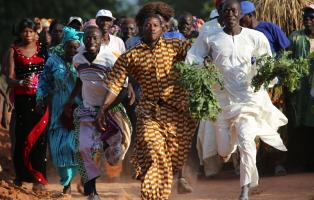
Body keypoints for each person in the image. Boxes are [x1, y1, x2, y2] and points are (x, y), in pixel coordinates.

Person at [186, 1, 287, 199]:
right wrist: (202, 73)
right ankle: (228, 151)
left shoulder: (255, 37)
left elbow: (267, 62)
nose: (230, 14)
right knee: (224, 150)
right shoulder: (210, 37)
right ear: (221, 15)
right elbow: (193, 59)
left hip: (248, 100)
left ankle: (245, 190)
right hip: (221, 103)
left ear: (240, 13)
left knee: (247, 142)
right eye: (226, 11)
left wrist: (266, 74)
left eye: (234, 10)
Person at [95, 12, 196, 199]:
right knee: (155, 150)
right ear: (142, 28)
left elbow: (199, 55)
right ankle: (152, 195)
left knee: (172, 158)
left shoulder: (177, 46)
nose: (151, 28)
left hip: (177, 113)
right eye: (147, 25)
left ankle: (158, 189)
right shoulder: (131, 56)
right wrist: (103, 107)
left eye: (155, 25)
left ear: (163, 28)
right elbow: (116, 83)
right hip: (149, 112)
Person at [66, 26, 131, 200]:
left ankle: (110, 154)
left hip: (111, 111)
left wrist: (105, 109)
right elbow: (81, 81)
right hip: (88, 110)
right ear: (83, 40)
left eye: (95, 38)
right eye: (87, 38)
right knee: (84, 148)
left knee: (115, 154)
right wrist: (70, 101)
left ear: (102, 39)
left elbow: (122, 90)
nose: (91, 41)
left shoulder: (110, 59)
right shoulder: (78, 59)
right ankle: (92, 192)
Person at [239, 0, 291, 176]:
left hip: (273, 86)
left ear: (251, 15)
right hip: (251, 88)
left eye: (242, 18)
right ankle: (256, 165)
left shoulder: (269, 28)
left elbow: (286, 49)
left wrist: (277, 67)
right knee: (252, 123)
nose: (239, 21)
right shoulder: (241, 34)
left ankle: (278, 163)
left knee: (274, 121)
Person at [36, 26, 82, 197]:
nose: (72, 50)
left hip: (79, 109)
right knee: (57, 148)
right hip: (57, 109)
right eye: (69, 46)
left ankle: (74, 181)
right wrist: (40, 98)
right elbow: (43, 81)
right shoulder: (52, 61)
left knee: (74, 146)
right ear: (64, 46)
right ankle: (67, 181)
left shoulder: (83, 62)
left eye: (76, 47)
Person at [7, 18, 48, 191]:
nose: (28, 34)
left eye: (31, 31)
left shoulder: (43, 50)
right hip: (22, 99)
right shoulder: (13, 50)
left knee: (40, 138)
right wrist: (21, 83)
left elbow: (51, 73)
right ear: (20, 32)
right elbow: (9, 78)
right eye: (24, 31)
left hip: (41, 99)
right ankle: (22, 177)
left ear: (35, 33)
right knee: (22, 136)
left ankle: (39, 178)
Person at [288, 4, 314, 172]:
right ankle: (305, 161)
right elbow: (287, 59)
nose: (308, 20)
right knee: (303, 124)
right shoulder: (296, 37)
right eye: (305, 17)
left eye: (312, 17)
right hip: (301, 89)